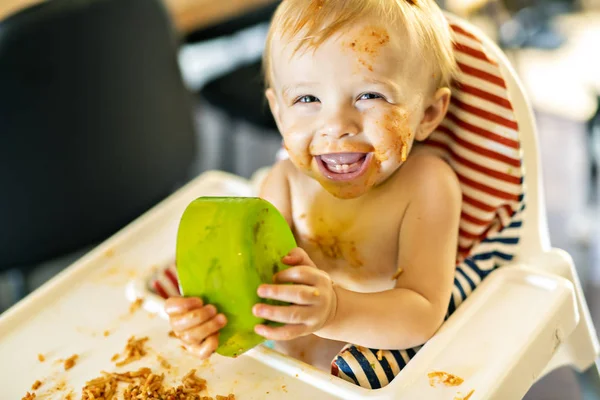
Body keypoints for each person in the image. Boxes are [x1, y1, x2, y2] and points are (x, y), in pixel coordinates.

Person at [166, 0, 462, 388]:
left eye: (370, 95)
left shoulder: (427, 186)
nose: (336, 126)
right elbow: (247, 289)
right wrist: (207, 322)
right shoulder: (284, 183)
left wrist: (336, 311)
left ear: (427, 114)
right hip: (276, 376)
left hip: (372, 384)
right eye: (308, 99)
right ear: (279, 112)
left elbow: (423, 314)